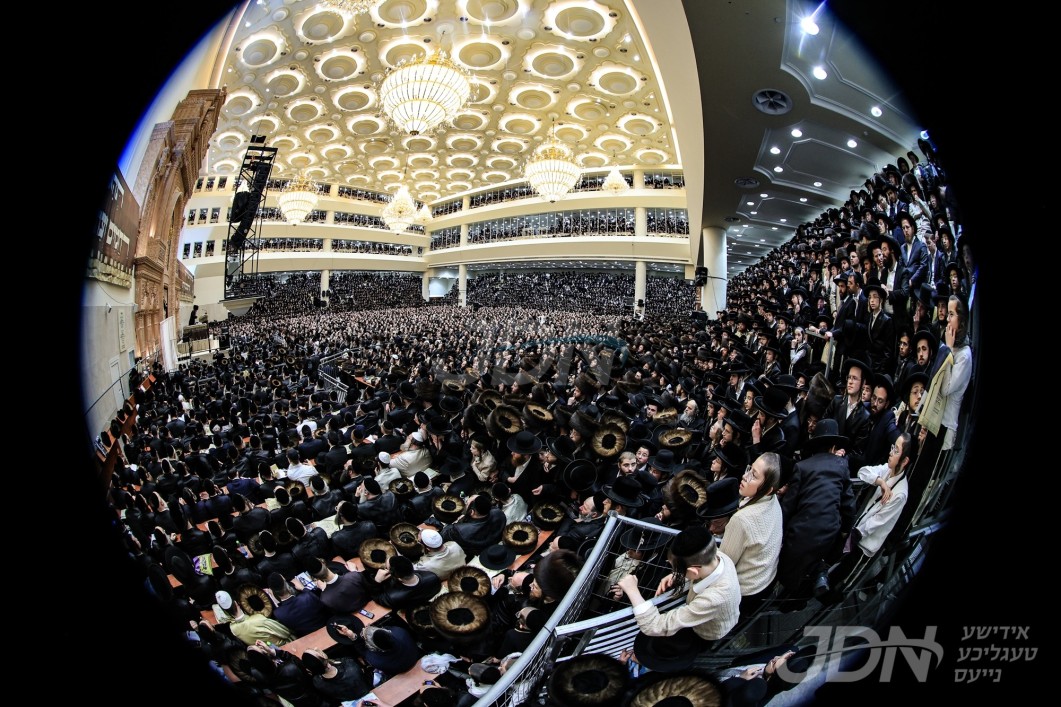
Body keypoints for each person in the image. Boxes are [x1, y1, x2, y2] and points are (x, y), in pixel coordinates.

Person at [616, 524, 741, 642]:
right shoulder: (716, 556)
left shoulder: (714, 599)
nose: (675, 571)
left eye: (676, 569)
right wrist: (678, 574)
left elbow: (655, 626)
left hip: (706, 634)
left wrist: (632, 591)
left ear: (694, 571)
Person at [776, 419, 856, 599]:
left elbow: (788, 507)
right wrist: (844, 532)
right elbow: (849, 507)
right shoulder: (841, 465)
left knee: (789, 577)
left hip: (798, 535)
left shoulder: (802, 467)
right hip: (828, 535)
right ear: (834, 447)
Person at [721, 452, 784, 616]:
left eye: (754, 476)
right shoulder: (773, 500)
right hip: (766, 581)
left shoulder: (742, 520)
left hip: (745, 592)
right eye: (749, 469)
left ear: (768, 490)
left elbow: (724, 564)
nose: (745, 476)